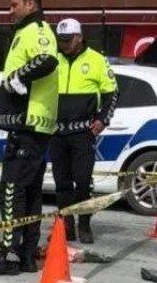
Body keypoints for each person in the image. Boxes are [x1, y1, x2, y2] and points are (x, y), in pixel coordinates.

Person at [0, 0, 59, 276]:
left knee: (10, 189)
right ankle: (26, 255)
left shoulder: (37, 30)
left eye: (14, 4)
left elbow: (47, 60)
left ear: (30, 4)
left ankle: (10, 253)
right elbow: (19, 81)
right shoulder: (25, 32)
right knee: (30, 192)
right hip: (32, 122)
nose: (10, 10)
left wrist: (16, 78)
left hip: (29, 123)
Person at [50, 19, 118, 245]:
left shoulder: (97, 60)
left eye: (68, 40)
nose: (64, 44)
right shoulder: (53, 59)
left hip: (82, 132)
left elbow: (112, 93)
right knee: (62, 183)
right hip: (57, 132)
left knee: (82, 181)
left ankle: (85, 224)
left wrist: (103, 120)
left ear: (79, 37)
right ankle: (66, 226)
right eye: (61, 40)